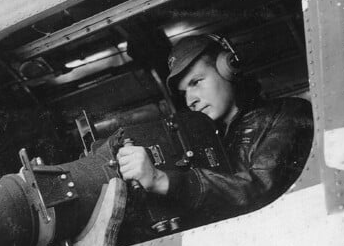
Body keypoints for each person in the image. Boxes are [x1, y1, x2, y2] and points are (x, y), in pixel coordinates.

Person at [115, 34, 314, 231]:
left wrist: (163, 180)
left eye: (196, 82)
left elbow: (259, 190)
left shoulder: (288, 114)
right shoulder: (211, 141)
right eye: (184, 92)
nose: (189, 100)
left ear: (227, 68)